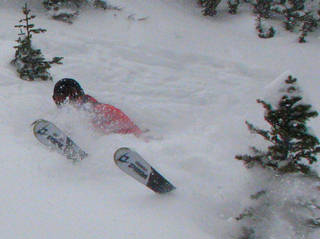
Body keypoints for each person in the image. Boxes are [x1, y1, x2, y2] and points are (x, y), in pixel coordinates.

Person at [52, 78, 144, 137]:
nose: (67, 104)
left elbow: (134, 131)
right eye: (59, 101)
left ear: (81, 96)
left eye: (72, 98)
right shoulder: (66, 118)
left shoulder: (102, 111)